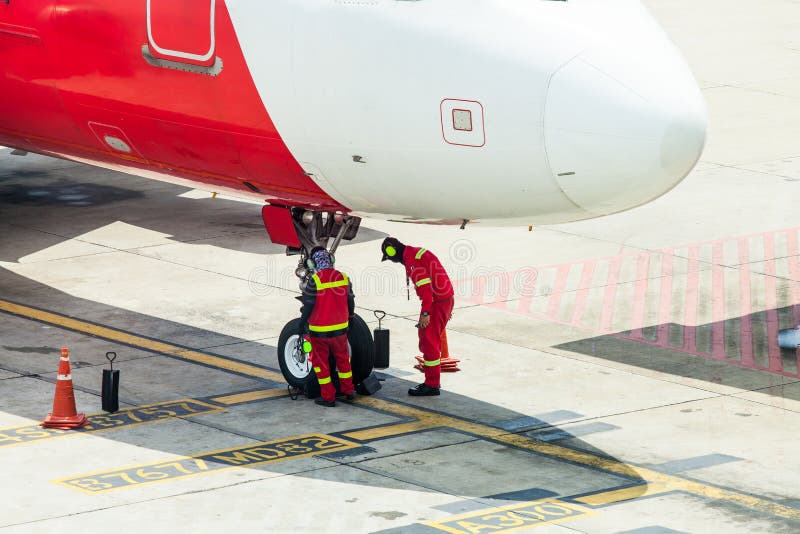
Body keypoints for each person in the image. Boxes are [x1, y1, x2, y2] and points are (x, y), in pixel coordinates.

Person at [381, 237, 454, 396]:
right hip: (444, 299)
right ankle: (432, 381)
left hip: (436, 303)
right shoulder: (416, 252)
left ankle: (432, 385)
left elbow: (426, 291)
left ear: (392, 253)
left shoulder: (413, 262)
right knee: (429, 339)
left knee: (429, 342)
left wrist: (426, 313)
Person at [299, 247, 356, 407]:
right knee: (343, 360)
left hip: (320, 332)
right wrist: (351, 318)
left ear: (312, 263)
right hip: (340, 331)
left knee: (321, 365)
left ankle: (328, 397)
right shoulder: (344, 278)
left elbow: (309, 305)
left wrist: (302, 322)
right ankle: (349, 391)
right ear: (331, 260)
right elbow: (350, 301)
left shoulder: (314, 281)